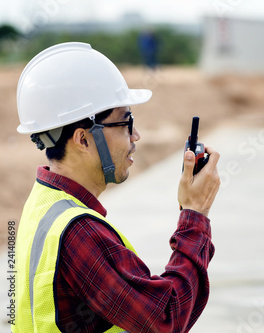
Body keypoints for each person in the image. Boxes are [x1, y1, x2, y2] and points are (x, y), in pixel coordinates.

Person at [14, 42, 220, 332]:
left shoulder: (42, 202)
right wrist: (195, 214)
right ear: (84, 140)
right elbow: (166, 319)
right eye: (125, 122)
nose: (135, 135)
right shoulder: (79, 233)